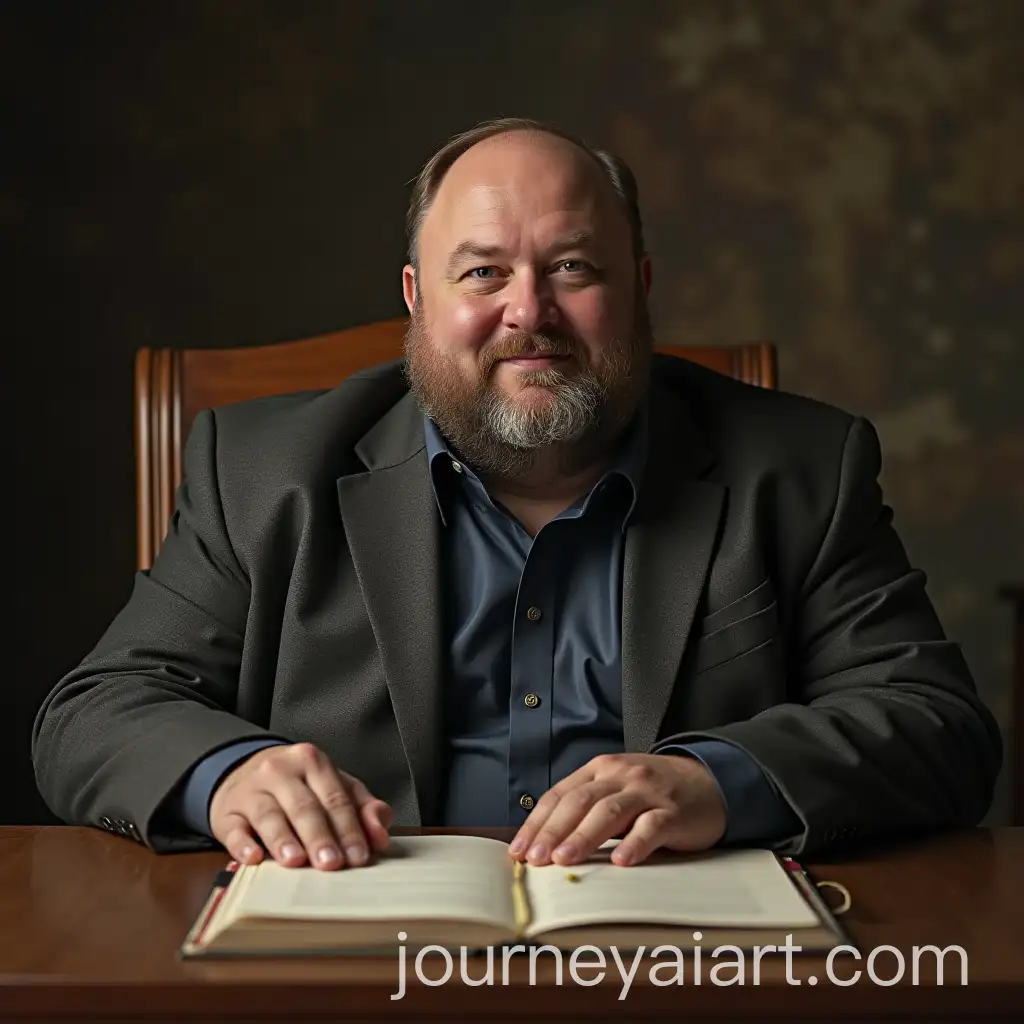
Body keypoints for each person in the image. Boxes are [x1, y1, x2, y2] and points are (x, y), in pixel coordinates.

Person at [33, 118, 1001, 873]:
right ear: (418, 297)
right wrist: (226, 775)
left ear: (639, 286)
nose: (528, 312)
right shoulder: (263, 471)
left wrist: (721, 780)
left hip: (673, 956)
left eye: (572, 267)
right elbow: (96, 711)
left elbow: (937, 726)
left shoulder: (800, 465)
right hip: (352, 951)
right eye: (482, 272)